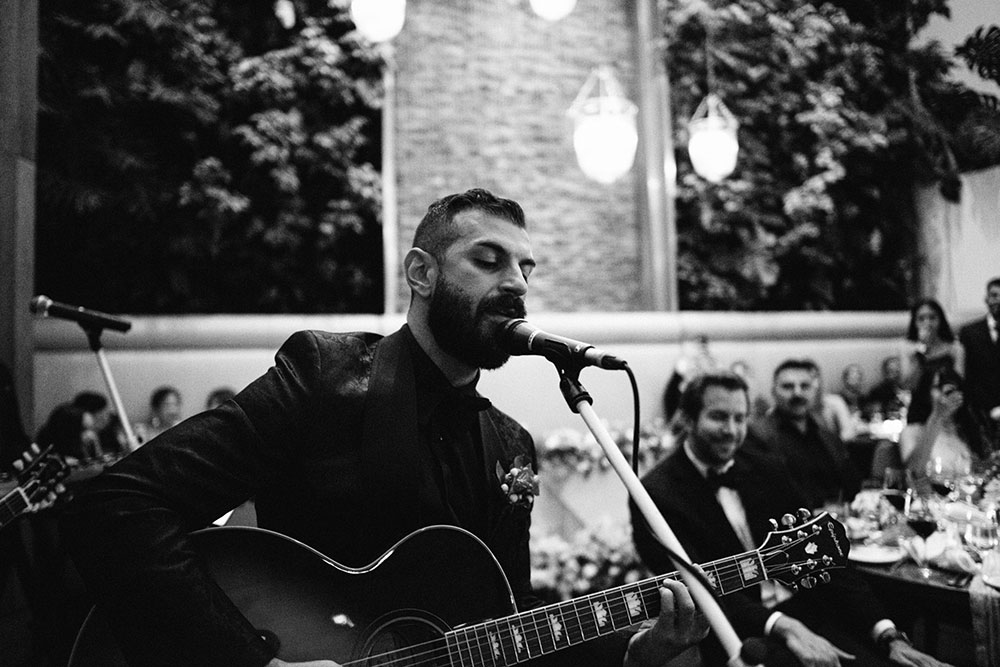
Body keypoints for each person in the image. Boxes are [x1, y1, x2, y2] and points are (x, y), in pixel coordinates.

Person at [61, 188, 707, 667]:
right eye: (489, 260)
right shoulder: (325, 376)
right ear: (421, 273)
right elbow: (119, 506)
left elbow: (510, 632)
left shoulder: (509, 445)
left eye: (526, 269)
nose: (516, 284)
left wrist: (642, 651)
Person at [631, 370, 950, 667]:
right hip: (739, 635)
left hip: (811, 612)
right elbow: (696, 591)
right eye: (718, 417)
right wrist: (782, 626)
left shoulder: (765, 467)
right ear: (687, 418)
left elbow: (823, 553)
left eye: (739, 418)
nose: (731, 430)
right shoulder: (655, 494)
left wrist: (886, 634)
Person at [744, 359, 861, 508]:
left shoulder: (826, 436)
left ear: (814, 390)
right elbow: (765, 497)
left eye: (805, 386)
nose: (797, 393)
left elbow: (852, 484)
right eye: (788, 387)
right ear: (774, 391)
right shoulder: (758, 436)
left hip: (839, 522)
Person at [898, 367, 989, 480]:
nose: (944, 393)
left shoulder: (968, 430)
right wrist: (936, 418)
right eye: (937, 387)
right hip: (929, 495)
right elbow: (914, 474)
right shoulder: (912, 431)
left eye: (951, 388)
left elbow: (983, 473)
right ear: (926, 393)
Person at [900, 299, 964, 427]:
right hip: (919, 414)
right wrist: (922, 353)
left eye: (932, 317)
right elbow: (908, 385)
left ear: (940, 319)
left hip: (949, 413)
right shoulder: (908, 348)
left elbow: (960, 381)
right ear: (915, 322)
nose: (927, 323)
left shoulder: (954, 348)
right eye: (921, 319)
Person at [958, 277, 1000, 443]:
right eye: (994, 295)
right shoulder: (969, 332)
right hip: (978, 411)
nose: (999, 300)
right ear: (986, 299)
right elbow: (966, 375)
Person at [72, 391, 128, 457]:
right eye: (102, 415)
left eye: (106, 413)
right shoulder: (80, 438)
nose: (106, 418)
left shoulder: (113, 425)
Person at [865, 356, 907, 420]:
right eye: (891, 371)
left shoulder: (909, 389)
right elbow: (874, 412)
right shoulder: (877, 391)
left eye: (897, 371)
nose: (894, 374)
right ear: (885, 372)